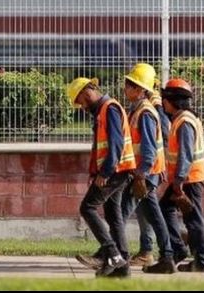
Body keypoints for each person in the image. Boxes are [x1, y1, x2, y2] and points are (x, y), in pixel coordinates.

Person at [67, 77, 135, 278]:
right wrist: (96, 172)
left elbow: (115, 145)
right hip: (117, 170)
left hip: (115, 171)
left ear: (86, 93)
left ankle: (112, 254)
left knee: (87, 208)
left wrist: (104, 173)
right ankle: (122, 268)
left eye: (80, 101)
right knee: (113, 216)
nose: (81, 107)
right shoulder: (103, 111)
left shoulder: (110, 109)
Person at [120, 63, 178, 274]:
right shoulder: (138, 110)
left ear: (139, 89)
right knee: (153, 215)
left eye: (129, 85)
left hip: (145, 173)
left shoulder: (145, 112)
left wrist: (141, 174)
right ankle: (168, 256)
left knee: (121, 212)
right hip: (145, 173)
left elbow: (149, 148)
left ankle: (112, 254)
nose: (125, 89)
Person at [158, 78, 204, 273]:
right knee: (165, 209)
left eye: (165, 98)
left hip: (189, 179)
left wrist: (179, 180)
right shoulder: (184, 118)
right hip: (186, 179)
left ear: (173, 100)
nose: (163, 102)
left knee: (193, 220)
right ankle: (179, 249)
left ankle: (202, 261)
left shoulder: (184, 121)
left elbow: (186, 154)